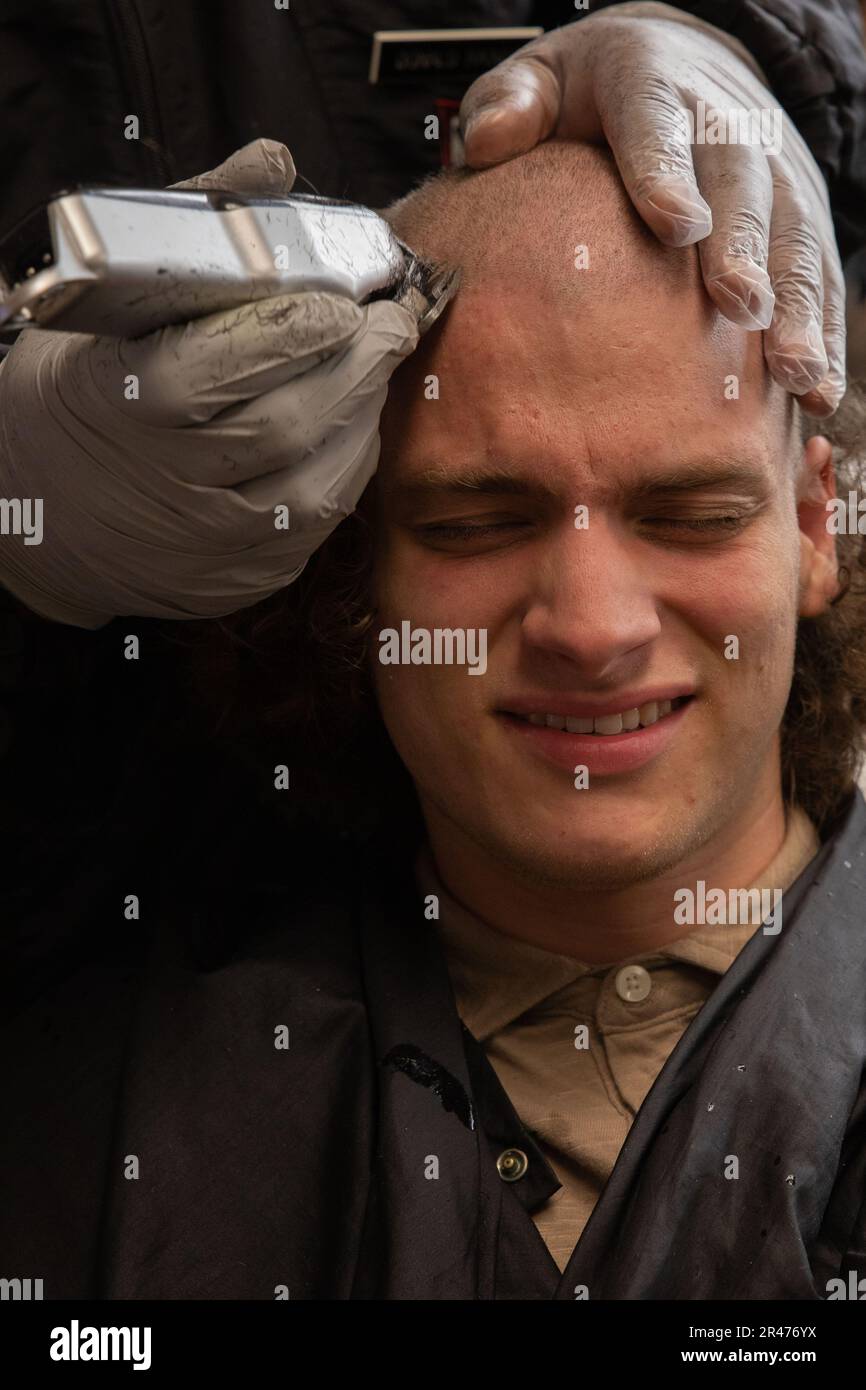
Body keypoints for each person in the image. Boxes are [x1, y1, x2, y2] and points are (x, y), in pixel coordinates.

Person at [3, 135, 865, 1301]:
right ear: (350, 561)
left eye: (691, 513)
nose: (591, 625)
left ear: (815, 526)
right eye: (473, 524)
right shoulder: (93, 1118)